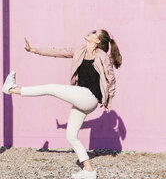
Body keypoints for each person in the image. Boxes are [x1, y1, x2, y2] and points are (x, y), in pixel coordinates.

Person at [2, 29, 122, 179]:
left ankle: (12, 89)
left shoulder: (102, 56)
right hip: (82, 97)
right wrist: (34, 50)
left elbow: (111, 79)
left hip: (90, 97)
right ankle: (89, 171)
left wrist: (109, 100)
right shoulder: (80, 50)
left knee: (50, 88)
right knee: (71, 135)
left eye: (93, 32)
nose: (89, 32)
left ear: (97, 40)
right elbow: (57, 51)